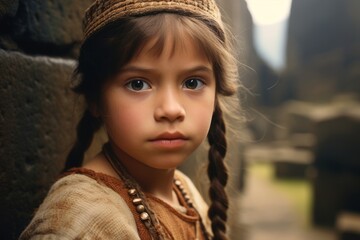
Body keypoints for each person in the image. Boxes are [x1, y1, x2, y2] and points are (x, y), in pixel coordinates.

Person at [20, 0, 240, 239]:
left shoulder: (183, 189)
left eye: (192, 82)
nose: (171, 109)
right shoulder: (83, 217)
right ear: (95, 98)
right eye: (138, 84)